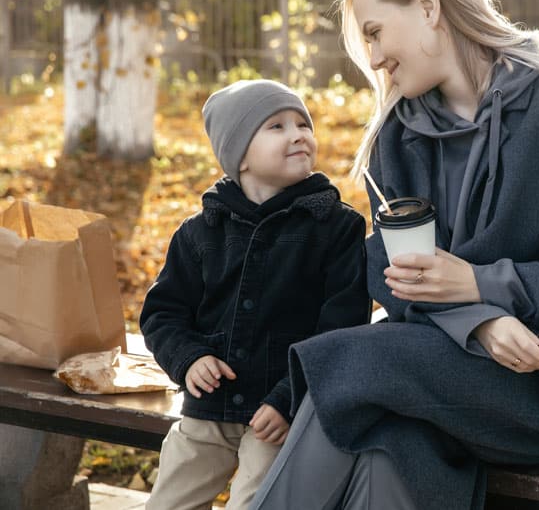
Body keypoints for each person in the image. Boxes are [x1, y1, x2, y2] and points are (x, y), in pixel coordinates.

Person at [252, 0, 539, 509]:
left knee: (348, 362)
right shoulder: (400, 137)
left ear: (427, 5)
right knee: (393, 441)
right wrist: (479, 323)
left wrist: (481, 284)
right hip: (450, 362)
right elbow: (394, 273)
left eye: (374, 32)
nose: (372, 57)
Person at [140, 79, 370, 510]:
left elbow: (341, 328)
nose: (298, 133)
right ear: (239, 155)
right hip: (208, 408)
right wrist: (188, 358)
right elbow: (162, 314)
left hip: (277, 414)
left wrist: (289, 399)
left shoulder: (335, 228)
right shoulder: (200, 232)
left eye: (303, 124)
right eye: (277, 126)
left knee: (258, 502)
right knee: (169, 502)